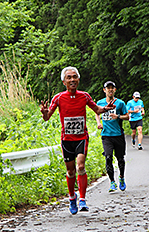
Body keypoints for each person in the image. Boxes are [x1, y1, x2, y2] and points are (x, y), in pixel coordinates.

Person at [40, 66, 116, 215]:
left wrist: (106, 108)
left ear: (78, 80)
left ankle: (82, 199)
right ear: (64, 82)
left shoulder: (85, 96)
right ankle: (71, 197)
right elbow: (47, 117)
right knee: (70, 170)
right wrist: (44, 113)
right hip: (66, 139)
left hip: (81, 137)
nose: (72, 80)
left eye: (74, 77)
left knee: (80, 166)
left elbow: (97, 109)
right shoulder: (58, 98)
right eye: (69, 77)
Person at [95, 81, 129, 193]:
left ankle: (122, 178)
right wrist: (98, 123)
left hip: (118, 135)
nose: (110, 90)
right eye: (108, 88)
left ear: (114, 90)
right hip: (106, 136)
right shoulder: (100, 102)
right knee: (108, 157)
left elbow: (128, 116)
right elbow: (97, 112)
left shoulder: (120, 103)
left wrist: (117, 116)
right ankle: (112, 182)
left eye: (112, 88)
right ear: (104, 90)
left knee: (120, 159)